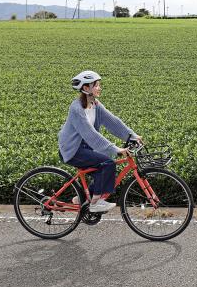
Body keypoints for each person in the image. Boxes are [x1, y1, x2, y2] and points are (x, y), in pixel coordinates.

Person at [58, 70, 142, 214]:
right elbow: (90, 134)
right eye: (96, 85)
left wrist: (132, 136)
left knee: (104, 167)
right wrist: (114, 148)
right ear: (86, 88)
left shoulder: (95, 104)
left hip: (85, 148)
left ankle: (83, 198)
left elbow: (113, 122)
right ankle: (95, 203)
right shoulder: (77, 109)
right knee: (107, 164)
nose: (99, 88)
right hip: (72, 150)